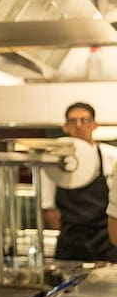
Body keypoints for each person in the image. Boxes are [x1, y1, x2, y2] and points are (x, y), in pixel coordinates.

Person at [40, 102, 117, 261]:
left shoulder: (112, 156)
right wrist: (71, 235)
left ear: (95, 125)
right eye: (73, 121)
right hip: (70, 245)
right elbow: (47, 207)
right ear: (65, 127)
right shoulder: (53, 160)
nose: (79, 126)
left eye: (84, 120)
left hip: (106, 244)